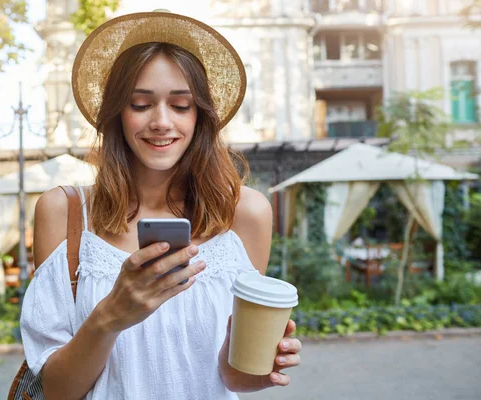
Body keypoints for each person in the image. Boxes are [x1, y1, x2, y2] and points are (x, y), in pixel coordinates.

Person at [20, 10, 302, 400]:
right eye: (140, 104)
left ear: (200, 116)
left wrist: (258, 369)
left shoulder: (246, 214)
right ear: (117, 113)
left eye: (181, 105)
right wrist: (109, 316)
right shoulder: (65, 213)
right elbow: (56, 391)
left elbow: (233, 379)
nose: (161, 122)